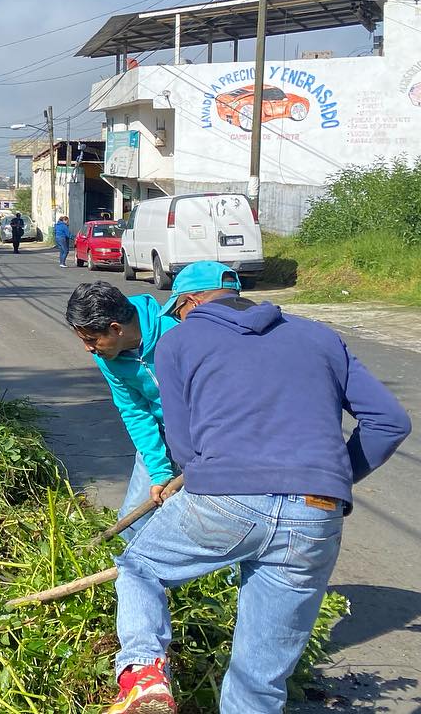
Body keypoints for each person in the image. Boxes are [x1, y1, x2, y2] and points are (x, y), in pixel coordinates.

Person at [104, 262, 411, 714]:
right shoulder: (320, 336)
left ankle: (144, 675)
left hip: (226, 501)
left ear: (189, 303)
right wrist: (331, 480)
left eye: (179, 309)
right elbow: (390, 422)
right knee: (259, 682)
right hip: (317, 511)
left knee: (139, 566)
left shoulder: (179, 341)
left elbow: (185, 448)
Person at [64, 280, 182, 542]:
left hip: (205, 438)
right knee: (132, 522)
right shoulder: (108, 357)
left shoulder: (177, 332)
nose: (88, 348)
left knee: (218, 523)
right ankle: (140, 574)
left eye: (92, 340)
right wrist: (160, 471)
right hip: (161, 436)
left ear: (115, 329)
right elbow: (134, 410)